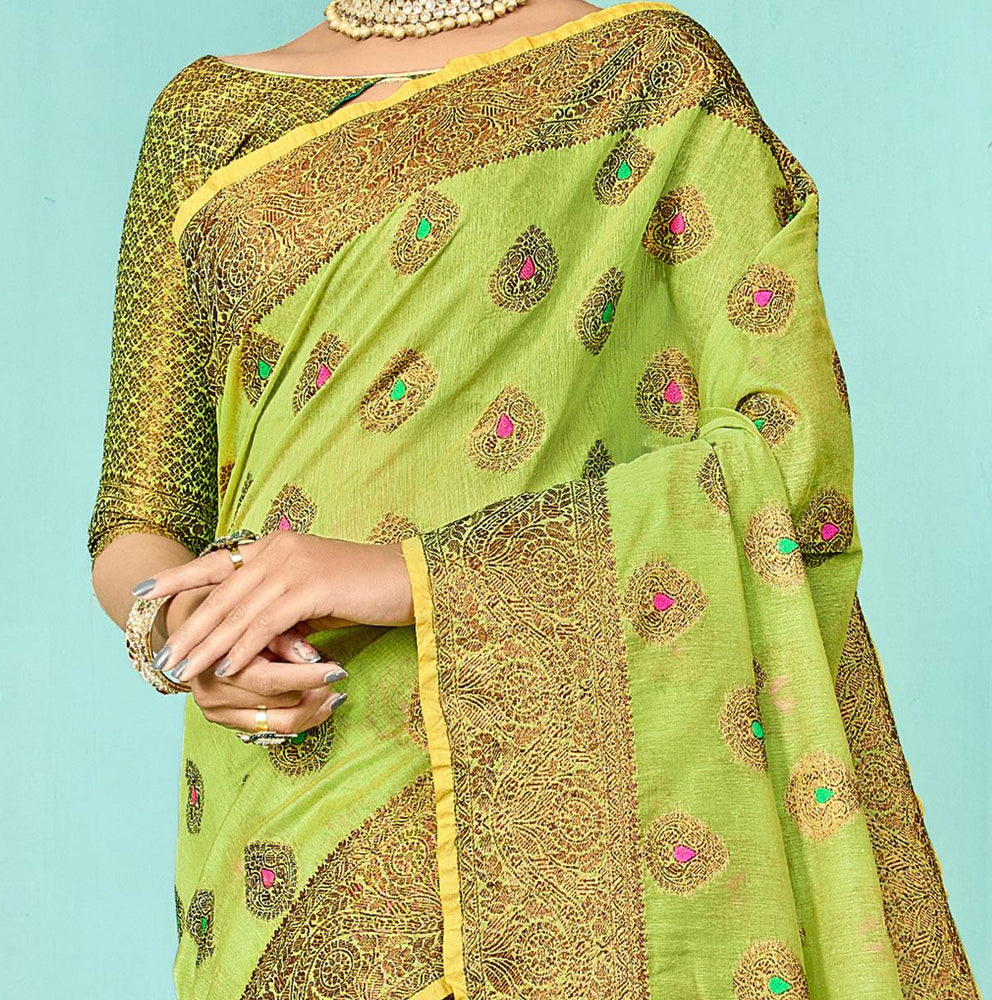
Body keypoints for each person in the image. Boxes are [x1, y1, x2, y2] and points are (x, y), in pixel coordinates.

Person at [87, 1, 982, 997]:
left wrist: (410, 577)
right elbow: (137, 517)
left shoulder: (650, 76)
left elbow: (784, 452)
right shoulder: (205, 115)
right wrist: (188, 631)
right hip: (284, 799)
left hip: (556, 776)